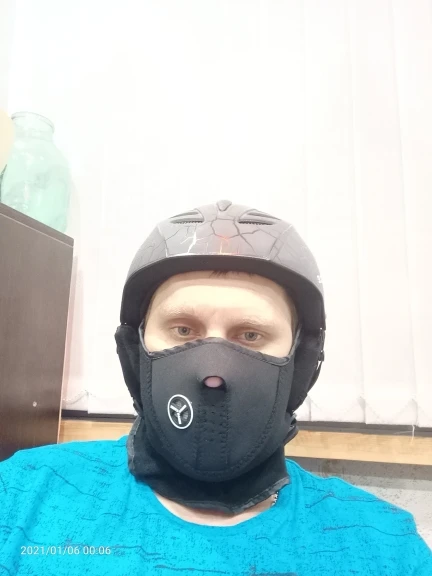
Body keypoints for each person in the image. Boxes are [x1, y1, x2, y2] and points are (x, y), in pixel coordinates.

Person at [0, 199, 430, 575]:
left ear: (301, 365)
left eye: (250, 335)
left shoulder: (387, 547)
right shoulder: (22, 493)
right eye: (184, 330)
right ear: (135, 355)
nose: (213, 374)